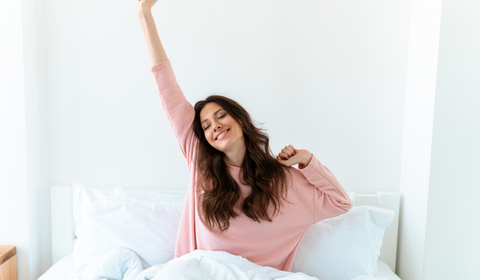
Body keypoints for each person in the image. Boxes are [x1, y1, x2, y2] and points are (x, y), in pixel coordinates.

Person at [135, 0, 353, 271]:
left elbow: (340, 203)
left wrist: (308, 161)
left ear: (239, 119)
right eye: (205, 125)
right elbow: (165, 84)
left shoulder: (283, 179)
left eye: (220, 115)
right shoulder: (200, 162)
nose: (213, 125)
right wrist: (143, 13)